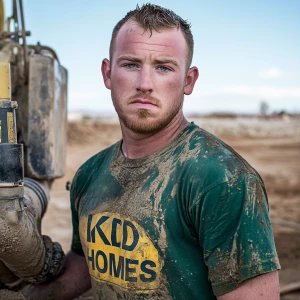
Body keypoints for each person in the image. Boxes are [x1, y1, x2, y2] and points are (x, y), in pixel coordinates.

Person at [24, 3, 281, 300]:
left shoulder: (222, 180)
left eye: (163, 67)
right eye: (131, 64)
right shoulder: (89, 174)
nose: (145, 84)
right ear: (108, 73)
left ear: (188, 80)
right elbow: (86, 264)